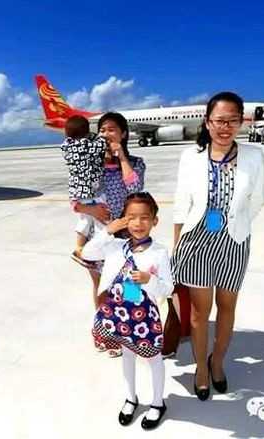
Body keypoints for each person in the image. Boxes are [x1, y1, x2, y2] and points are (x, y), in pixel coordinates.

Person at [171, 91, 264, 401]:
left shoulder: (254, 156)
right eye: (219, 120)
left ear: (242, 121)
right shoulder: (190, 157)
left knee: (227, 308)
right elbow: (180, 203)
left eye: (232, 120)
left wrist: (234, 222)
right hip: (196, 241)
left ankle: (217, 361)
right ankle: (200, 367)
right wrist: (176, 247)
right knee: (201, 313)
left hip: (234, 241)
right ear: (207, 123)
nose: (225, 127)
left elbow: (258, 199)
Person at [83, 192, 173, 430]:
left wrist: (148, 279)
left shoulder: (160, 252)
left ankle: (157, 403)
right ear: (124, 219)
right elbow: (88, 253)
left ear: (155, 221)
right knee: (128, 355)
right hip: (119, 315)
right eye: (131, 217)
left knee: (153, 357)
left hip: (144, 317)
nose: (138, 223)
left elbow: (168, 287)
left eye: (145, 217)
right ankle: (131, 397)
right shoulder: (115, 246)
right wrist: (109, 230)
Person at [74, 112, 146, 317]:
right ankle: (104, 330)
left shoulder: (136, 162)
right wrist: (92, 210)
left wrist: (121, 156)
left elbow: (136, 189)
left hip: (129, 234)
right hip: (99, 235)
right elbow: (77, 202)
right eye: (102, 130)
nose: (105, 134)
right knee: (101, 285)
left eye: (111, 129)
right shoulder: (90, 167)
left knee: (132, 283)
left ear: (123, 134)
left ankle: (132, 325)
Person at [60, 115, 107, 267]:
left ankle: (79, 248)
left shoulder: (66, 146)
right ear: (87, 132)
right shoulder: (87, 145)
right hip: (89, 190)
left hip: (76, 190)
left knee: (84, 221)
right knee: (101, 222)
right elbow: (101, 144)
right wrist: (98, 136)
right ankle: (98, 253)